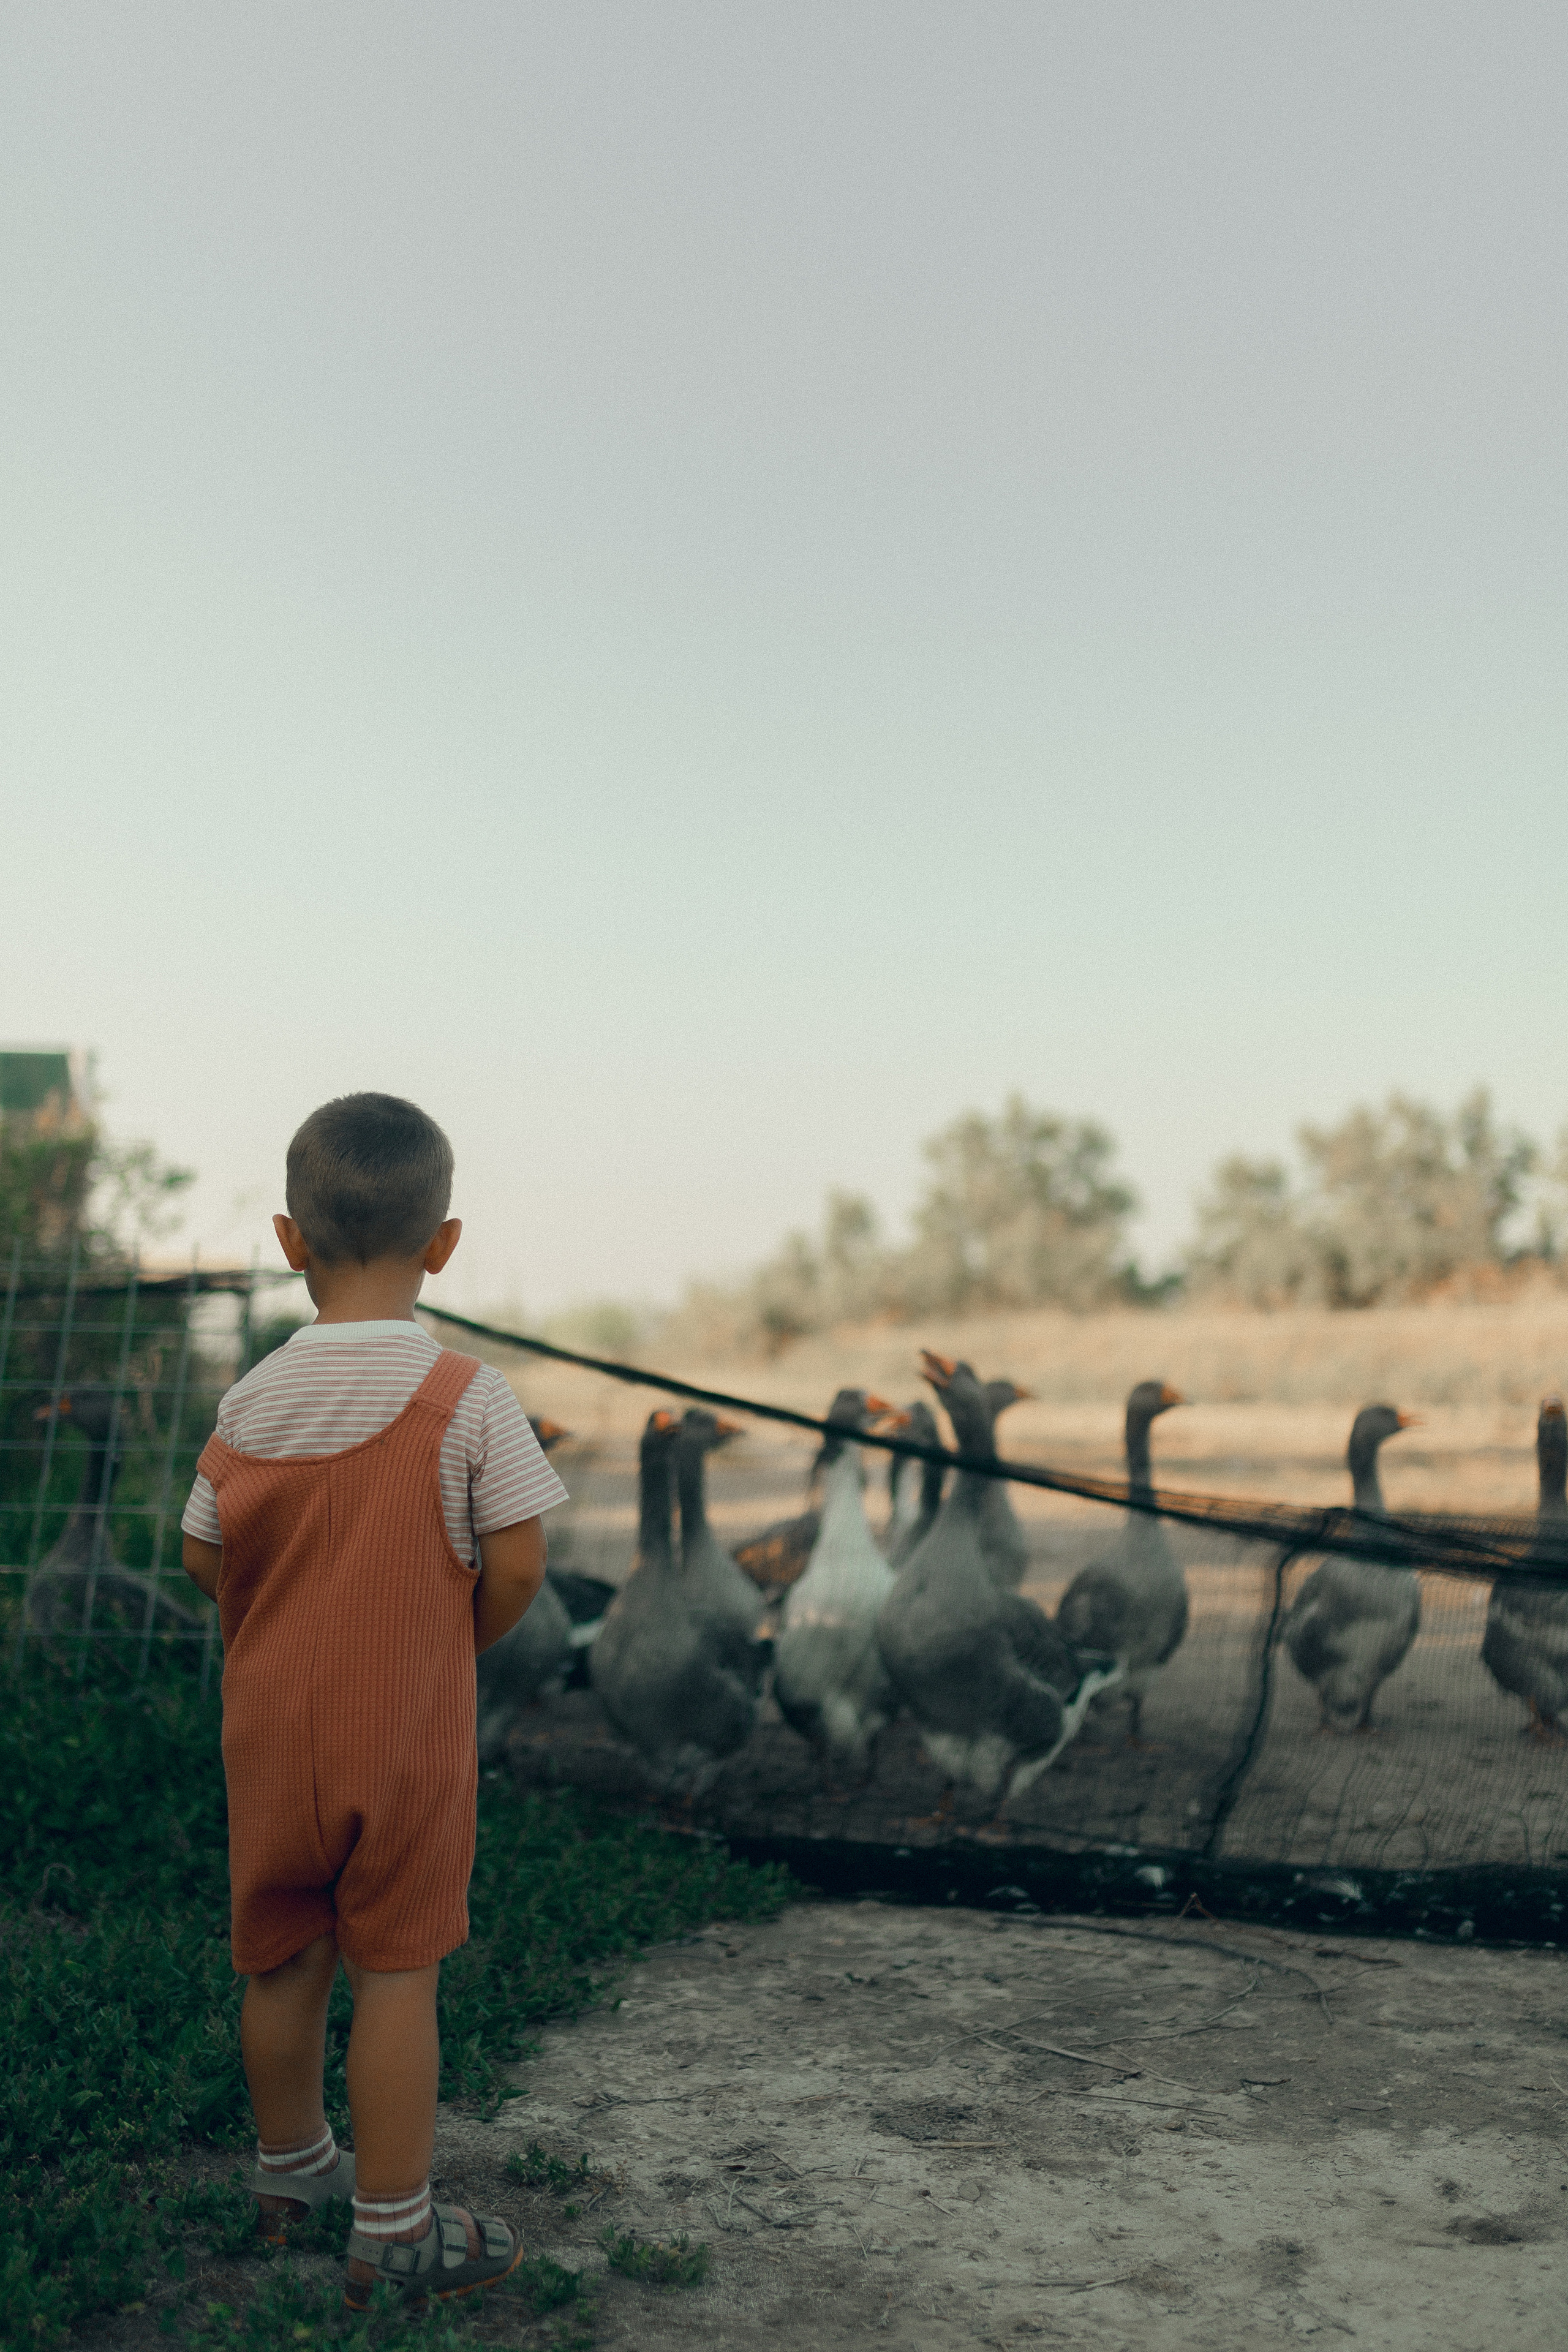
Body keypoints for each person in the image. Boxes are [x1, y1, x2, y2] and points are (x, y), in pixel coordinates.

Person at [181, 1092, 567, 2309]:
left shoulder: (247, 1404)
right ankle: (395, 2228)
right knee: (397, 1968)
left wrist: (279, 1614)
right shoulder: (466, 1396)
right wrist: (450, 1633)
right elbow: (517, 1563)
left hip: (268, 1733)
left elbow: (205, 1552)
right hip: (401, 1738)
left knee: (281, 1952)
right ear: (442, 1243)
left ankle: (291, 2174)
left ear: (289, 1242)